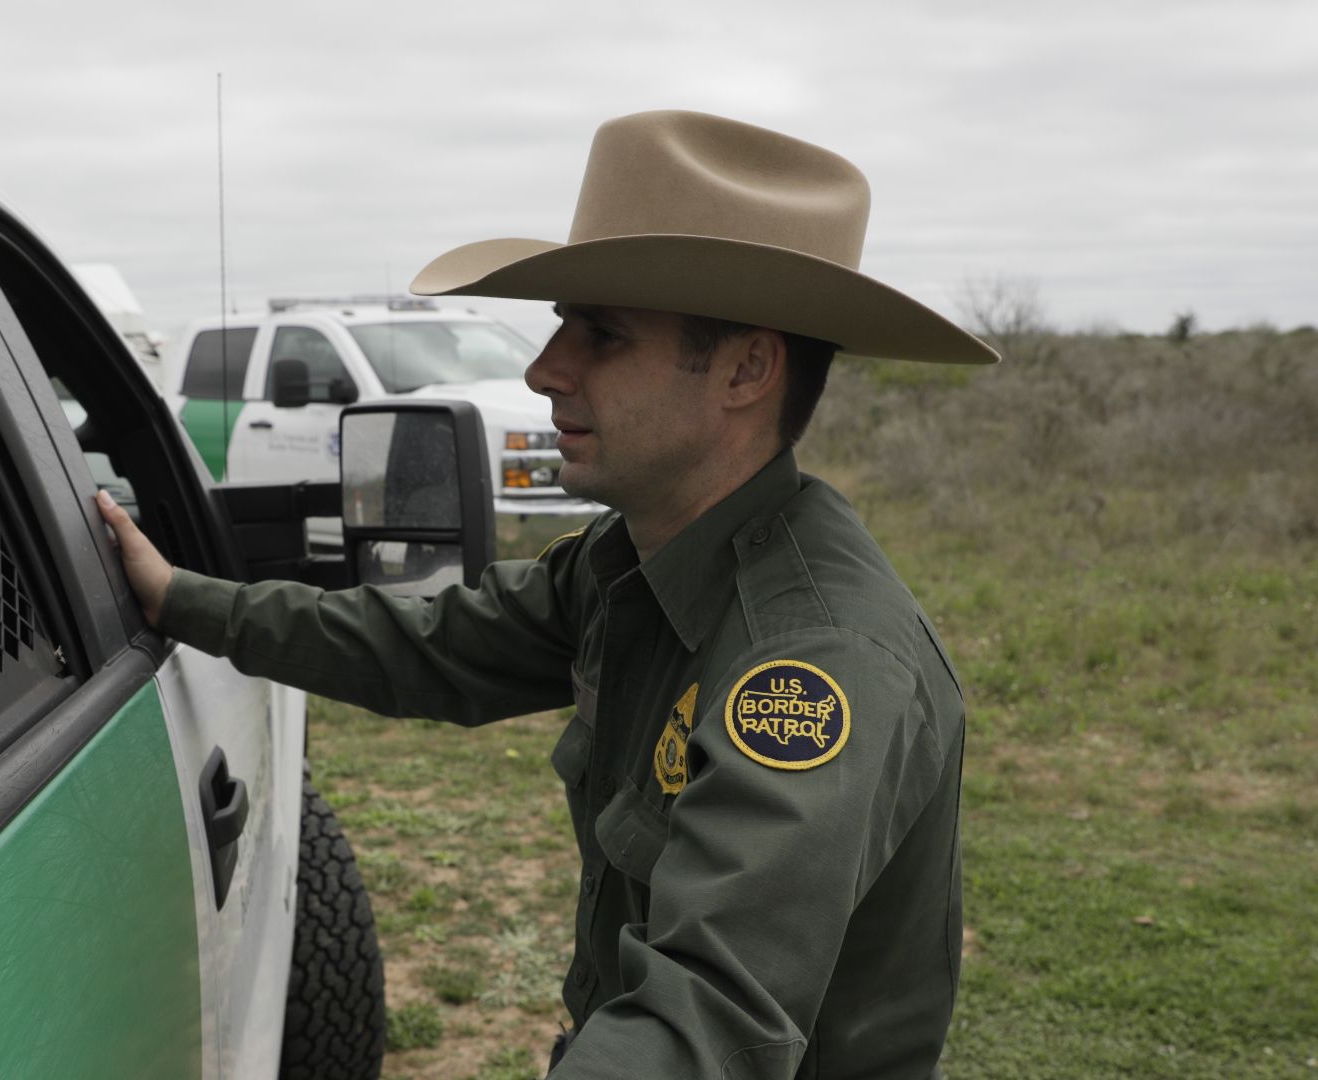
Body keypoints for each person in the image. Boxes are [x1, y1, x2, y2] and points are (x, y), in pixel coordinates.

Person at [97, 110, 998, 1078]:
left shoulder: (817, 659)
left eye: (601, 334)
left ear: (746, 369)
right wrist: (183, 599)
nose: (543, 369)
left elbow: (703, 1021)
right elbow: (430, 645)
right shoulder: (634, 560)